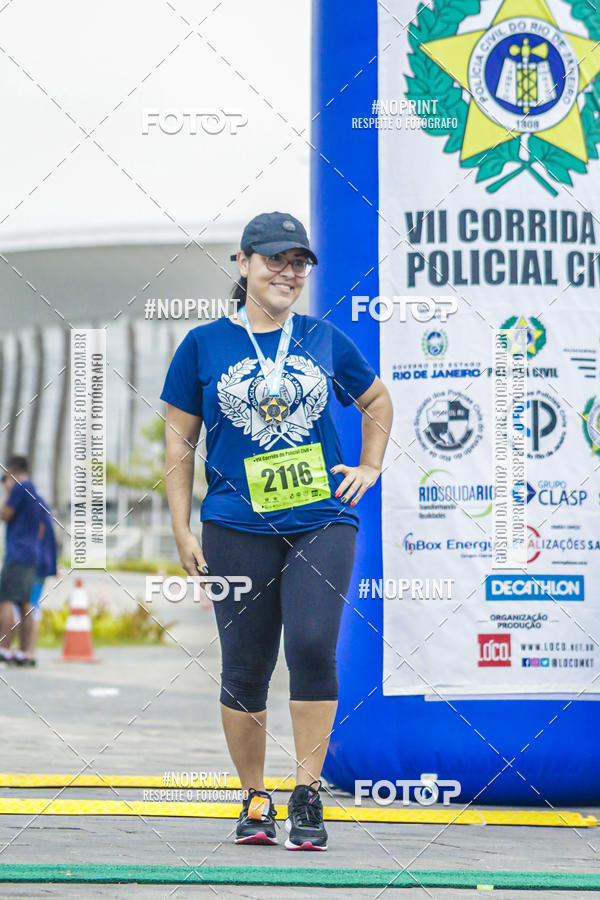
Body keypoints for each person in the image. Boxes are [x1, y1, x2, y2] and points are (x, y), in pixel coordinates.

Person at [160, 211, 393, 850]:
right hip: (235, 524)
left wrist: (370, 464)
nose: (287, 272)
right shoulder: (203, 345)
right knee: (246, 666)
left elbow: (376, 400)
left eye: (298, 263)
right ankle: (256, 799)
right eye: (274, 259)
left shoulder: (323, 339)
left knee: (314, 646)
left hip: (321, 516)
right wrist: (181, 526)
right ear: (242, 263)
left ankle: (308, 794)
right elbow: (180, 442)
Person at [0, 457, 43, 666]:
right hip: (31, 553)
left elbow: (4, 514)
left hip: (17, 553)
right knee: (25, 602)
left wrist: (8, 490)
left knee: (6, 599)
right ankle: (26, 652)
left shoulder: (18, 488)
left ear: (11, 472)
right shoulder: (34, 491)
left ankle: (4, 649)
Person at [11, 495, 57, 666]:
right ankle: (27, 651)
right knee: (31, 605)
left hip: (34, 563)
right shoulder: (41, 504)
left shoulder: (32, 506)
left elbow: (39, 533)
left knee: (30, 606)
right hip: (42, 562)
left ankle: (29, 652)